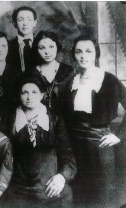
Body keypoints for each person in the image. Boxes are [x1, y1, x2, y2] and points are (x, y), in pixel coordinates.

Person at [62, 35, 126, 208]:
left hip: (100, 147)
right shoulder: (70, 83)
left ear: (96, 53)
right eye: (79, 52)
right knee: (80, 195)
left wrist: (119, 135)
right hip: (75, 149)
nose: (83, 56)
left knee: (101, 195)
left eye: (88, 51)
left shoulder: (109, 80)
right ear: (74, 55)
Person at [5, 76, 76, 207]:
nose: (29, 97)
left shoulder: (55, 118)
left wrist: (62, 177)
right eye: (24, 92)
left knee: (65, 195)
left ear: (42, 95)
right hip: (19, 186)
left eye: (34, 92)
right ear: (19, 95)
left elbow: (67, 155)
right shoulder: (10, 119)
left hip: (48, 184)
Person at [31, 31, 74, 112]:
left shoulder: (67, 71)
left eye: (51, 47)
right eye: (42, 48)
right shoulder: (31, 73)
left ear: (57, 47)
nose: (47, 52)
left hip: (64, 119)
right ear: (37, 49)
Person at [7, 6, 37, 74]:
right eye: (20, 20)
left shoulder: (42, 44)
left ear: (35, 22)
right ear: (14, 24)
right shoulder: (7, 46)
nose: (25, 24)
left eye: (29, 19)